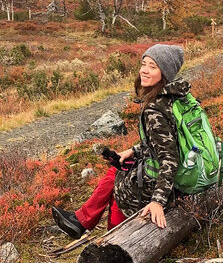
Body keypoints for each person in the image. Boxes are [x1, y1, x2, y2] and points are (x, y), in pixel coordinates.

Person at [51, 44, 189, 239]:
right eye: (144, 64)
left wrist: (158, 201)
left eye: (152, 66)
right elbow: (170, 139)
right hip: (185, 172)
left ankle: (112, 238)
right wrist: (134, 151)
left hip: (168, 185)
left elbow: (169, 158)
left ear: (164, 73)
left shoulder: (155, 110)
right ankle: (83, 222)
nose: (144, 70)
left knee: (119, 183)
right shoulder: (178, 96)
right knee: (120, 169)